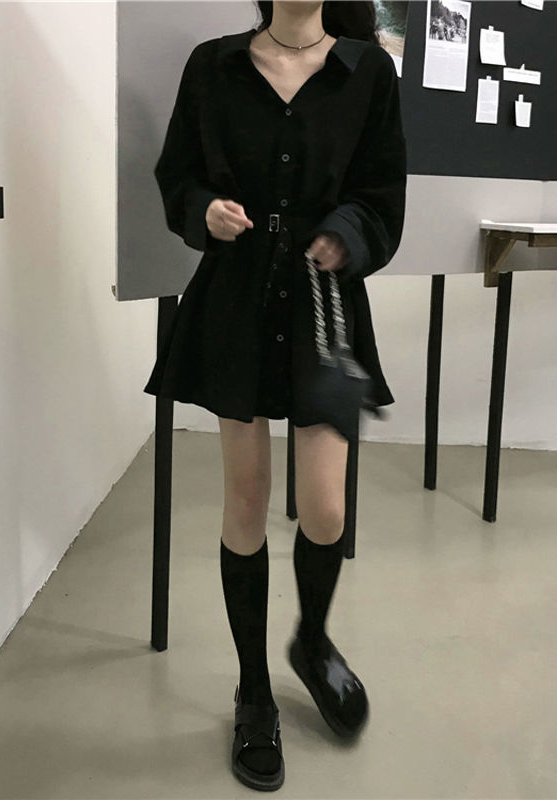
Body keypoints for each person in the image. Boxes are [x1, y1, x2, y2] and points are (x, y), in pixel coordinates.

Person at [144, 0, 407, 791]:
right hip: (237, 301)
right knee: (246, 500)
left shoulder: (369, 72)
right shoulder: (214, 65)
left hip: (324, 306)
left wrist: (348, 233)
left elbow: (383, 196)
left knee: (325, 509)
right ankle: (253, 692)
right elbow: (177, 176)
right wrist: (203, 211)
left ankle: (312, 641)